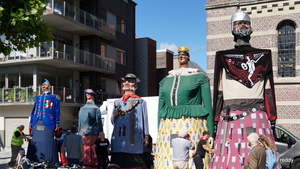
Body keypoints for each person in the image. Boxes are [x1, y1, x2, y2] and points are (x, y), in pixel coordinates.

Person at [210, 11, 277, 169]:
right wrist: (272, 118)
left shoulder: (225, 56)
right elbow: (268, 92)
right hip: (249, 116)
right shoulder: (262, 56)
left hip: (235, 116)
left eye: (244, 24)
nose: (242, 26)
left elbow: (268, 90)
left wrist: (216, 119)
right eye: (239, 24)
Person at [154, 46, 213, 169]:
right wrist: (158, 131)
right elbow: (160, 109)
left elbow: (207, 105)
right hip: (167, 127)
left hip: (192, 123)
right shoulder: (165, 81)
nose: (181, 57)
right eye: (179, 54)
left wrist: (211, 132)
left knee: (192, 158)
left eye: (184, 54)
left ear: (188, 57)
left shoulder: (199, 77)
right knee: (168, 158)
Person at [110, 73, 149, 169]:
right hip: (118, 140)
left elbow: (145, 119)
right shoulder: (117, 102)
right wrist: (113, 117)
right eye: (125, 81)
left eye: (130, 81)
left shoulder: (140, 102)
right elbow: (113, 122)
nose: (127, 83)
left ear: (135, 85)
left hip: (133, 140)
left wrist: (146, 135)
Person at [27, 79, 61, 164]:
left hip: (49, 122)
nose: (43, 86)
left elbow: (57, 111)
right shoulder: (38, 98)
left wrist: (57, 123)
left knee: (48, 142)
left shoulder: (54, 98)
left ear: (49, 87)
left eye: (45, 85)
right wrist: (31, 123)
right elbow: (33, 111)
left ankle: (49, 160)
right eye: (42, 85)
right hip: (36, 120)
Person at [78, 89, 103, 167]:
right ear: (93, 97)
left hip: (83, 135)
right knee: (93, 152)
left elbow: (80, 124)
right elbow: (99, 123)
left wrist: (80, 133)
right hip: (93, 135)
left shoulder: (81, 109)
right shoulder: (96, 109)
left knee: (84, 152)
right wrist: (101, 133)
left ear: (87, 96)